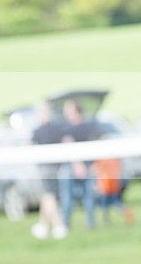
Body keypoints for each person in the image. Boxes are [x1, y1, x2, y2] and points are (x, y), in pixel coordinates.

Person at [58, 99, 99, 230]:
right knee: (86, 196)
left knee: (69, 196)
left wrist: (77, 165)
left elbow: (69, 145)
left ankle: (66, 225)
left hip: (75, 166)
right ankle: (85, 224)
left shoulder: (69, 128)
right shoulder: (88, 126)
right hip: (84, 165)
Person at [30, 102, 68, 240]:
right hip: (57, 168)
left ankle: (59, 226)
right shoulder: (58, 129)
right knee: (46, 196)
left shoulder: (38, 131)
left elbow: (30, 147)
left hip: (44, 168)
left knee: (48, 196)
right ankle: (43, 226)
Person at [92, 145, 134, 226]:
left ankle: (106, 221)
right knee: (116, 203)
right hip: (114, 184)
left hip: (105, 185)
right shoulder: (114, 158)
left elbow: (96, 169)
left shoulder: (102, 158)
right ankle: (127, 213)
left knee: (105, 205)